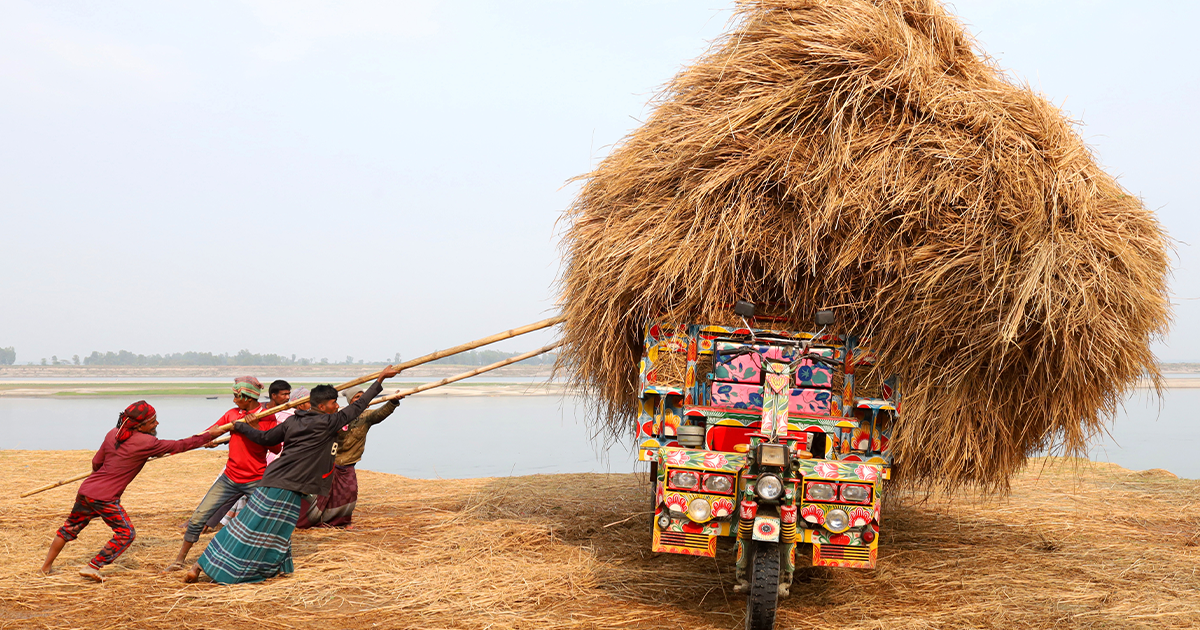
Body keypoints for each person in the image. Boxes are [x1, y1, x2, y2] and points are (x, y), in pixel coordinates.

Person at [184, 365, 403, 584]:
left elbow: (265, 438)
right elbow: (359, 406)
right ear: (322, 406)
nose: (337, 406)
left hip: (276, 481)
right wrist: (381, 379)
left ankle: (278, 568)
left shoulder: (293, 421)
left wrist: (243, 427)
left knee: (275, 527)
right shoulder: (328, 423)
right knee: (250, 526)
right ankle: (203, 564)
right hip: (287, 485)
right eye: (334, 403)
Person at [40, 401, 228, 582]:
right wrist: (208, 435)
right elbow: (179, 445)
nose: (157, 424)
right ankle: (93, 566)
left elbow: (96, 463)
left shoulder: (113, 433)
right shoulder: (147, 442)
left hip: (87, 491)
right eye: (152, 421)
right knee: (126, 534)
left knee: (69, 528)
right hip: (105, 498)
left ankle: (46, 567)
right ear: (140, 425)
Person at [165, 376, 280, 571]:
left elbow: (276, 447)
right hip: (229, 478)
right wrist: (205, 439)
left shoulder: (267, 417)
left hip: (256, 479)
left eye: (237, 396)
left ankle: (270, 560)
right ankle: (179, 561)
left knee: (266, 521)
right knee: (198, 517)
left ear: (248, 398)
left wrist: (256, 428)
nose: (234, 400)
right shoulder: (232, 414)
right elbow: (212, 431)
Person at [296, 386, 402, 528]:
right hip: (329, 464)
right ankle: (308, 521)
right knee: (321, 496)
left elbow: (380, 413)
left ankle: (340, 522)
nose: (361, 399)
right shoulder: (338, 416)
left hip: (348, 464)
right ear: (350, 401)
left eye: (363, 396)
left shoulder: (366, 416)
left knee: (348, 494)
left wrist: (393, 402)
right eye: (357, 397)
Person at [199, 380, 295, 532]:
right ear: (273, 395)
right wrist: (209, 439)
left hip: (262, 467)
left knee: (261, 508)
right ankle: (203, 524)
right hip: (237, 468)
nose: (287, 398)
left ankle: (247, 529)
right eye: (284, 394)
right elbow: (216, 431)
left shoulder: (280, 416)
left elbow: (276, 446)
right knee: (222, 498)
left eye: (288, 394)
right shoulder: (243, 413)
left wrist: (257, 429)